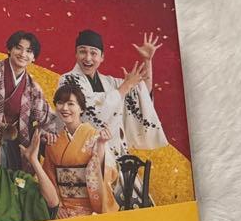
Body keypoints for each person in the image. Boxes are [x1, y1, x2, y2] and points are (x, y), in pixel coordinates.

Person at [60, 29, 167, 159]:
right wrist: (126, 86)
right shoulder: (68, 80)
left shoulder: (110, 82)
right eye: (82, 51)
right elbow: (89, 109)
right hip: (82, 152)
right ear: (76, 54)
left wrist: (147, 61)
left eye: (93, 53)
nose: (88, 58)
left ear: (102, 57)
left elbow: (142, 94)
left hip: (114, 150)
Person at [0, 30, 59, 172]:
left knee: (13, 178)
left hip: (15, 141)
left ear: (33, 58)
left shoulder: (33, 88)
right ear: (9, 49)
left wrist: (48, 134)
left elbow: (47, 118)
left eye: (29, 51)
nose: (23, 54)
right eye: (18, 48)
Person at [44, 83, 120, 218]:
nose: (65, 108)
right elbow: (49, 176)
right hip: (63, 207)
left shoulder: (95, 137)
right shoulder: (53, 141)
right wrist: (57, 206)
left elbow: (106, 173)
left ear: (81, 109)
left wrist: (101, 145)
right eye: (60, 103)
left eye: (71, 104)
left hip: (90, 206)